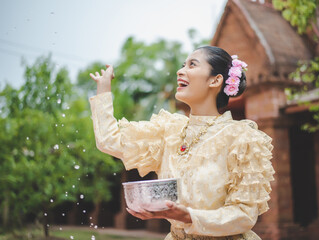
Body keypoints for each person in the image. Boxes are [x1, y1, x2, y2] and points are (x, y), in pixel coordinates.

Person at [89, 46, 275, 240]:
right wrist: (103, 88)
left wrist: (190, 217)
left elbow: (245, 216)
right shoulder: (169, 131)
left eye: (192, 65)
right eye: (182, 65)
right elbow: (109, 141)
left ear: (215, 80)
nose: (180, 71)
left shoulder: (242, 138)